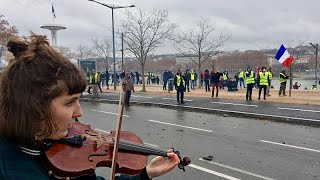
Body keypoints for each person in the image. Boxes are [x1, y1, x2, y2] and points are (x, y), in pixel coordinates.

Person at [0, 34, 180, 179]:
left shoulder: (64, 152)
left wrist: (145, 174)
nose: (79, 112)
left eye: (78, 100)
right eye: (70, 102)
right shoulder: (12, 171)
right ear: (32, 107)